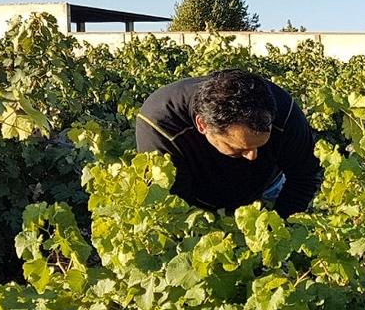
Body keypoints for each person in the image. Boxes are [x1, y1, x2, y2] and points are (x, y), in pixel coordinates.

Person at [135, 69, 321, 217]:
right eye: (240, 148)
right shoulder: (159, 123)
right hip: (201, 205)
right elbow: (174, 203)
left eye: (260, 145)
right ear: (203, 125)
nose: (253, 156)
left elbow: (304, 177)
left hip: (268, 187)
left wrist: (277, 227)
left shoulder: (285, 111)